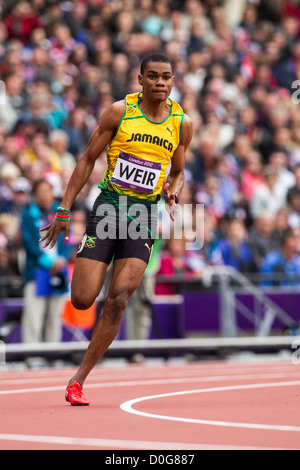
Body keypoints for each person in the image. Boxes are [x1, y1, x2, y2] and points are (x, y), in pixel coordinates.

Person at [39, 53, 193, 406]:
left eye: (166, 77)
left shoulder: (182, 123)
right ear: (140, 80)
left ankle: (78, 379)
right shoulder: (119, 112)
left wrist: (174, 187)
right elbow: (86, 159)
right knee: (82, 299)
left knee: (120, 298)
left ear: (173, 81)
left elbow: (178, 169)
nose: (159, 82)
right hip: (110, 206)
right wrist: (64, 208)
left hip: (144, 213)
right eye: (152, 76)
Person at [21, 179, 74, 343]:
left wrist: (62, 259)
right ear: (35, 195)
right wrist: (47, 261)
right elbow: (28, 242)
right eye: (40, 192)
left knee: (55, 316)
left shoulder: (62, 213)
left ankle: (52, 352)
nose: (44, 196)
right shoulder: (29, 215)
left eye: (47, 191)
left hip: (58, 270)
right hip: (36, 271)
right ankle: (32, 353)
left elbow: (68, 239)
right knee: (33, 316)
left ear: (52, 193)